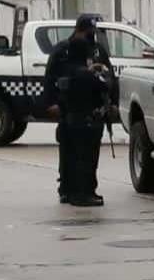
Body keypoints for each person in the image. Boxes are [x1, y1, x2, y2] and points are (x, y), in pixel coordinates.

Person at [43, 15, 116, 203]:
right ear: (78, 29)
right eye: (86, 32)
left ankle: (84, 189)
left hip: (93, 108)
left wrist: (112, 103)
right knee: (71, 151)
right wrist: (50, 103)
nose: (89, 36)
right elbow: (50, 78)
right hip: (68, 107)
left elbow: (110, 78)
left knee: (86, 154)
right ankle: (68, 189)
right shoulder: (63, 50)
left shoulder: (98, 51)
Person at [57, 37, 112, 206]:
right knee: (87, 160)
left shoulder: (66, 70)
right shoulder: (86, 75)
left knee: (72, 158)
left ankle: (70, 192)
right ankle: (84, 194)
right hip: (87, 123)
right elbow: (105, 85)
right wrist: (102, 72)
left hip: (70, 121)